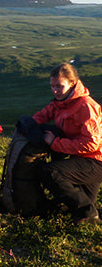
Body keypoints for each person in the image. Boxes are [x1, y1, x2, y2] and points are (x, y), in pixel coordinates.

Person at [32, 63, 102, 224]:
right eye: (52, 86)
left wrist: (55, 143)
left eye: (59, 86)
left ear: (72, 83)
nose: (55, 90)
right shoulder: (61, 102)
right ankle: (89, 212)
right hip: (81, 159)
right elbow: (41, 116)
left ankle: (87, 212)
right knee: (79, 205)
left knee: (49, 172)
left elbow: (91, 144)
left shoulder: (86, 106)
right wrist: (28, 126)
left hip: (95, 160)